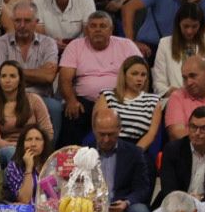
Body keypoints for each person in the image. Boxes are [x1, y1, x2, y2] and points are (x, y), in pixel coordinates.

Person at [59, 12, 144, 146]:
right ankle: (70, 160)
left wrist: (130, 98)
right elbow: (64, 79)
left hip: (120, 100)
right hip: (83, 103)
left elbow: (141, 72)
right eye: (93, 26)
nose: (98, 29)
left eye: (103, 26)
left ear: (111, 30)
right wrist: (71, 100)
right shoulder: (75, 46)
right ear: (86, 30)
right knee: (70, 114)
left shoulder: (126, 45)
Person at [0, 59, 53, 161]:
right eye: (3, 76)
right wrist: (21, 147)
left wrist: (31, 145)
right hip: (5, 150)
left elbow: (48, 133)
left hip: (33, 147)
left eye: (12, 76)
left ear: (20, 79)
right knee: (12, 152)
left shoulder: (34, 100)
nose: (7, 80)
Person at [158, 107, 205, 203]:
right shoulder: (172, 149)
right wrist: (187, 201)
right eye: (193, 127)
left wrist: (202, 199)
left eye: (204, 128)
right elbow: (168, 187)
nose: (197, 133)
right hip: (176, 204)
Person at [91, 108, 154, 212]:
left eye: (110, 134)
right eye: (102, 134)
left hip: (122, 208)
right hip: (92, 208)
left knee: (140, 211)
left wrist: (127, 202)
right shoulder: (84, 153)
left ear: (119, 130)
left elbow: (142, 188)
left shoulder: (134, 153)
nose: (106, 139)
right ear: (94, 130)